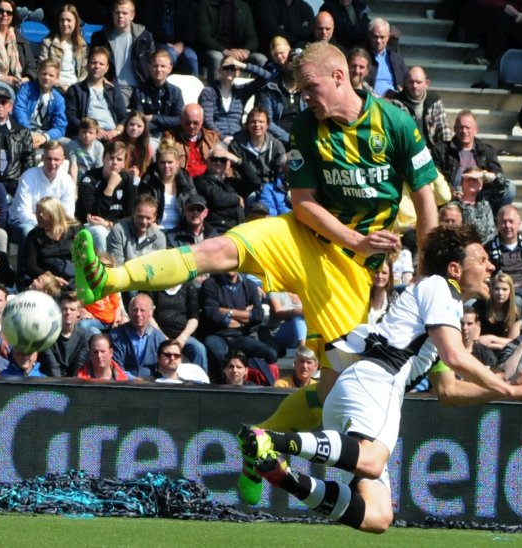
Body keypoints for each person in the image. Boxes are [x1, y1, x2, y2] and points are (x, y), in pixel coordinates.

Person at [71, 41, 439, 502]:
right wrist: (354, 237)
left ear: (341, 77)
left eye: (311, 88)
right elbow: (303, 203)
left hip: (350, 274)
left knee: (329, 396)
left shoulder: (396, 122)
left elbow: (427, 201)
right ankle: (110, 278)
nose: (305, 98)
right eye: (301, 91)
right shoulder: (307, 124)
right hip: (304, 235)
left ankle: (259, 443)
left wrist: (428, 277)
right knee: (220, 248)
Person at [240, 224, 522, 532]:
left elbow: (449, 390)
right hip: (377, 383)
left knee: (377, 517)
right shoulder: (441, 288)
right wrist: (508, 390)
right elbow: (456, 356)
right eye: (482, 259)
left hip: (359, 388)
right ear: (456, 269)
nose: (491, 266)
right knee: (372, 462)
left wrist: (508, 386)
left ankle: (284, 477)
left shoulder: (442, 310)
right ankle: (270, 440)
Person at [200, 270, 277, 382]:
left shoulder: (249, 285)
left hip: (239, 336)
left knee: (271, 354)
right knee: (220, 355)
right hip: (216, 334)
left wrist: (228, 312)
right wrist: (244, 316)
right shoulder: (210, 284)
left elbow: (258, 316)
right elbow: (211, 314)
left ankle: (254, 383)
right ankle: (219, 387)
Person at [433, 110, 515, 213]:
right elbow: (435, 176)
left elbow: (499, 176)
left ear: (476, 130)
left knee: (510, 188)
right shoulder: (441, 150)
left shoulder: (487, 151)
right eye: (460, 127)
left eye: (468, 127)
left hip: (481, 199)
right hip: (451, 199)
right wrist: (451, 191)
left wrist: (484, 175)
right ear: (454, 129)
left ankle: (494, 219)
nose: (464, 131)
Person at [76, 140, 138, 252]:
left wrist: (109, 224)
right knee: (101, 233)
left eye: (119, 159)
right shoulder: (89, 179)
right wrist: (110, 187)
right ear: (103, 158)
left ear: (124, 163)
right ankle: (106, 267)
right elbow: (94, 215)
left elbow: (131, 215)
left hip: (116, 225)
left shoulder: (129, 180)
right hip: (90, 226)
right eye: (111, 158)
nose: (114, 162)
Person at [89, 0, 155, 104]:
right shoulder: (100, 37)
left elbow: (152, 64)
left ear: (132, 15)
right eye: (117, 12)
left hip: (140, 89)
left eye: (125, 13)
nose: (120, 16)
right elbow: (91, 64)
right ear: (112, 14)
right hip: (112, 88)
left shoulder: (145, 36)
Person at [9, 141, 75, 242]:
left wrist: (52, 226)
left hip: (54, 224)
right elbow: (23, 212)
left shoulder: (67, 180)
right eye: (49, 158)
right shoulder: (28, 176)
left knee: (72, 231)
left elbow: (68, 213)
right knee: (30, 231)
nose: (52, 163)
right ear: (43, 158)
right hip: (21, 223)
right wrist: (47, 225)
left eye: (56, 159)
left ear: (62, 160)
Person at [193, 142, 260, 232]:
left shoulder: (232, 183)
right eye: (214, 159)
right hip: (216, 228)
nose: (218, 162)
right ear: (208, 161)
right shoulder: (201, 180)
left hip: (238, 227)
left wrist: (237, 161)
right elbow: (216, 198)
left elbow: (255, 182)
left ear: (228, 164)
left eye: (222, 160)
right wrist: (237, 198)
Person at [199, 56, 271, 139]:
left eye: (233, 68)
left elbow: (267, 77)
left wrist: (242, 65)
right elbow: (208, 121)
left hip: (238, 139)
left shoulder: (242, 91)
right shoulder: (208, 92)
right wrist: (223, 138)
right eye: (226, 67)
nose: (229, 70)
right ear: (220, 71)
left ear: (238, 72)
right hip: (215, 139)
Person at [64, 46, 127, 139]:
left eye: (101, 64)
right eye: (94, 62)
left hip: (113, 137)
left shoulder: (113, 91)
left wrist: (116, 132)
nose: (97, 66)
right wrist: (92, 130)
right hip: (87, 137)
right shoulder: (75, 90)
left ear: (107, 68)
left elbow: (123, 118)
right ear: (87, 64)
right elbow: (70, 116)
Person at [18, 196, 79, 288]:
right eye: (38, 212)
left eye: (43, 212)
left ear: (54, 213)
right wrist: (53, 279)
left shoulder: (76, 230)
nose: (40, 215)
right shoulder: (34, 235)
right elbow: (30, 266)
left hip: (75, 277)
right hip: (48, 280)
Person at [195, 0, 266, 79]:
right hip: (216, 50)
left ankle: (263, 90)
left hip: (239, 54)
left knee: (260, 59)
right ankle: (215, 90)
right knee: (216, 57)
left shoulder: (243, 7)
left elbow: (252, 37)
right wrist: (224, 51)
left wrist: (246, 51)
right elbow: (204, 37)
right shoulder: (205, 4)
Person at [387, 66, 452, 150]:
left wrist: (444, 151)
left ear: (426, 83)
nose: (414, 85)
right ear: (406, 83)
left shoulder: (435, 101)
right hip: (406, 151)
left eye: (418, 82)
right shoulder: (395, 102)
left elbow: (444, 129)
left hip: (432, 151)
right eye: (411, 82)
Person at [138, 139, 195, 231]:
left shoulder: (186, 179)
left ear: (177, 162)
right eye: (162, 162)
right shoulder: (149, 179)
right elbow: (142, 206)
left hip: (181, 230)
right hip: (155, 229)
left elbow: (193, 202)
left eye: (170, 162)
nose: (166, 166)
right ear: (157, 163)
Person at [12, 59, 68, 150]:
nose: (46, 77)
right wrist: (28, 132)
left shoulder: (58, 99)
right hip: (24, 131)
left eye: (51, 75)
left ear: (57, 78)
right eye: (43, 73)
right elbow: (19, 110)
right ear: (38, 74)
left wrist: (45, 137)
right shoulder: (26, 88)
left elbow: (60, 127)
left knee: (70, 144)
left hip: (45, 135)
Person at [229, 106, 287, 195]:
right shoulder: (236, 144)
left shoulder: (276, 145)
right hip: (246, 189)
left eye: (261, 122)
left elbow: (281, 170)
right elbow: (235, 173)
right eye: (253, 122)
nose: (257, 125)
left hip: (271, 188)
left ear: (267, 125)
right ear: (247, 124)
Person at [128, 49, 185, 138]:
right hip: (147, 137)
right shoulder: (138, 92)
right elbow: (138, 120)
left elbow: (179, 120)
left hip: (171, 137)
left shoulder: (176, 92)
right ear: (149, 67)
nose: (159, 69)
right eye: (155, 66)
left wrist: (153, 118)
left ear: (170, 68)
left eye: (163, 66)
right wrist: (165, 122)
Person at [109, 292, 166, 378]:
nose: (138, 314)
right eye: (134, 310)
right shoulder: (117, 335)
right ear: (129, 312)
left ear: (150, 314)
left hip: (151, 386)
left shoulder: (158, 337)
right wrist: (134, 380)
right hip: (124, 385)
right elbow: (116, 367)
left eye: (142, 310)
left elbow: (163, 368)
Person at [138, 0, 199, 77]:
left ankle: (194, 88)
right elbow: (147, 26)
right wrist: (166, 41)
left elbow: (191, 27)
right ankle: (164, 87)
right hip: (157, 42)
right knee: (170, 54)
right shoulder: (149, 3)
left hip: (181, 44)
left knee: (191, 57)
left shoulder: (186, 3)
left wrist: (182, 43)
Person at [107, 193, 167, 270]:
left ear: (154, 217)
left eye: (148, 218)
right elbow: (117, 265)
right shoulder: (118, 231)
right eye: (140, 217)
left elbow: (159, 267)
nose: (144, 221)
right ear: (133, 213)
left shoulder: (158, 237)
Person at [161, 103, 222, 179]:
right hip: (183, 182)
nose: (191, 126)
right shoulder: (170, 138)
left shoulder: (212, 138)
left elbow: (223, 165)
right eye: (188, 122)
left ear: (202, 120)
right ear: (181, 120)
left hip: (208, 181)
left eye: (196, 123)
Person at [39, 291, 92, 377]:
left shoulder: (85, 337)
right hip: (50, 381)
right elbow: (52, 365)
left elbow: (78, 366)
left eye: (72, 309)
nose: (68, 312)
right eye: (64, 309)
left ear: (78, 312)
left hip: (73, 383)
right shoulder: (46, 334)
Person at [38, 3, 88, 93]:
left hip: (76, 87)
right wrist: (61, 85)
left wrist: (76, 86)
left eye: (69, 20)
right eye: (62, 20)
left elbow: (85, 71)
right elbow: (42, 68)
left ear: (75, 22)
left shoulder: (81, 45)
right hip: (55, 87)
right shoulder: (48, 43)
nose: (65, 23)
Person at [473, 272, 522, 355]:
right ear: (491, 290)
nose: (500, 293)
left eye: (504, 289)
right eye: (496, 289)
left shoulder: (515, 312)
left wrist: (491, 339)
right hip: (481, 350)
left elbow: (514, 342)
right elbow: (476, 340)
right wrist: (501, 343)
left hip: (503, 351)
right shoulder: (480, 306)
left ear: (510, 292)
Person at [366, 18, 406, 97]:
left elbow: (406, 79)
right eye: (375, 37)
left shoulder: (396, 59)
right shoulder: (363, 58)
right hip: (372, 100)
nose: (378, 41)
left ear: (388, 37)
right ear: (369, 36)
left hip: (394, 100)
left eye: (382, 37)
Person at [455, 167, 497, 244]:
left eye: (475, 179)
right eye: (468, 179)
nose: (471, 181)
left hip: (488, 249)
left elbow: (505, 185)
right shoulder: (455, 206)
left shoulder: (485, 203)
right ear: (461, 183)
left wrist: (483, 174)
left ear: (480, 185)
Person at [113, 111, 153, 180]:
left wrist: (137, 176)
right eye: (132, 124)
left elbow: (145, 172)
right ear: (126, 125)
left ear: (144, 129)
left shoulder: (147, 149)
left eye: (139, 126)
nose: (134, 128)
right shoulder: (114, 141)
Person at [67, 117, 104, 184]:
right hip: (76, 179)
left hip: (92, 179)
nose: (87, 135)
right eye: (84, 132)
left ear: (96, 135)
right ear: (79, 132)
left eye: (90, 133)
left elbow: (98, 168)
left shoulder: (99, 146)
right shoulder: (73, 144)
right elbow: (73, 165)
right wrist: (73, 187)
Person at [367, 259, 396, 325]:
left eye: (384, 273)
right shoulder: (363, 294)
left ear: (390, 275)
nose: (380, 276)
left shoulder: (394, 298)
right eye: (376, 272)